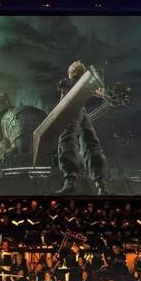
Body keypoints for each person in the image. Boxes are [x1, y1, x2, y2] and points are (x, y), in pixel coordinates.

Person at [54, 60, 109, 195]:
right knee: (91, 144)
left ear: (71, 72)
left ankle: (70, 182)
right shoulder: (87, 84)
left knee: (68, 139)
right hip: (84, 114)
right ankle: (101, 186)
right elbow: (101, 93)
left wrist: (60, 116)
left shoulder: (68, 81)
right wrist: (101, 79)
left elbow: (64, 99)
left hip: (72, 110)